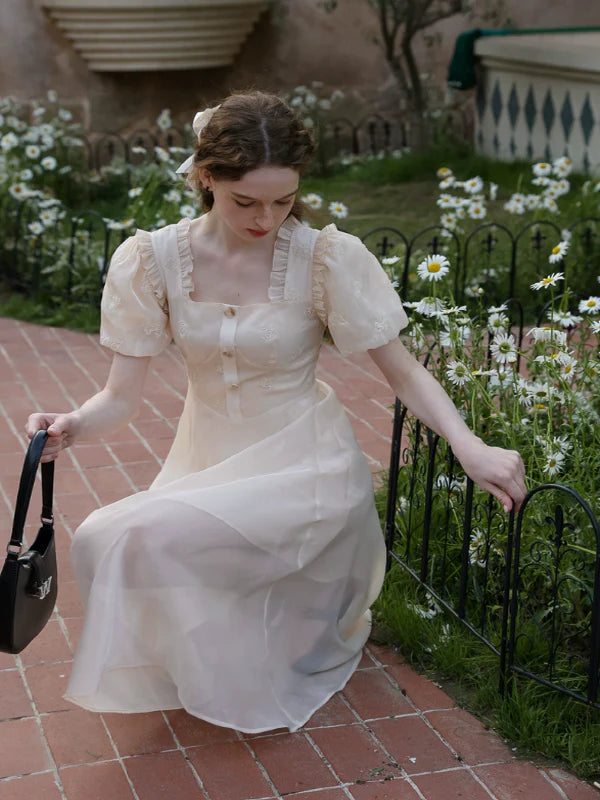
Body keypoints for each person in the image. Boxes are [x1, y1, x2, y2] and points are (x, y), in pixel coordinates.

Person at [26, 91, 526, 733]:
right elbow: (121, 397)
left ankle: (264, 643)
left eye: (283, 200)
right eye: (247, 201)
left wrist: (467, 443)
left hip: (303, 465)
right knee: (103, 537)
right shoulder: (150, 260)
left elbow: (401, 370)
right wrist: (73, 424)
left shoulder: (324, 258)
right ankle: (220, 654)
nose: (267, 218)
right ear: (207, 178)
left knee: (135, 535)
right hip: (208, 460)